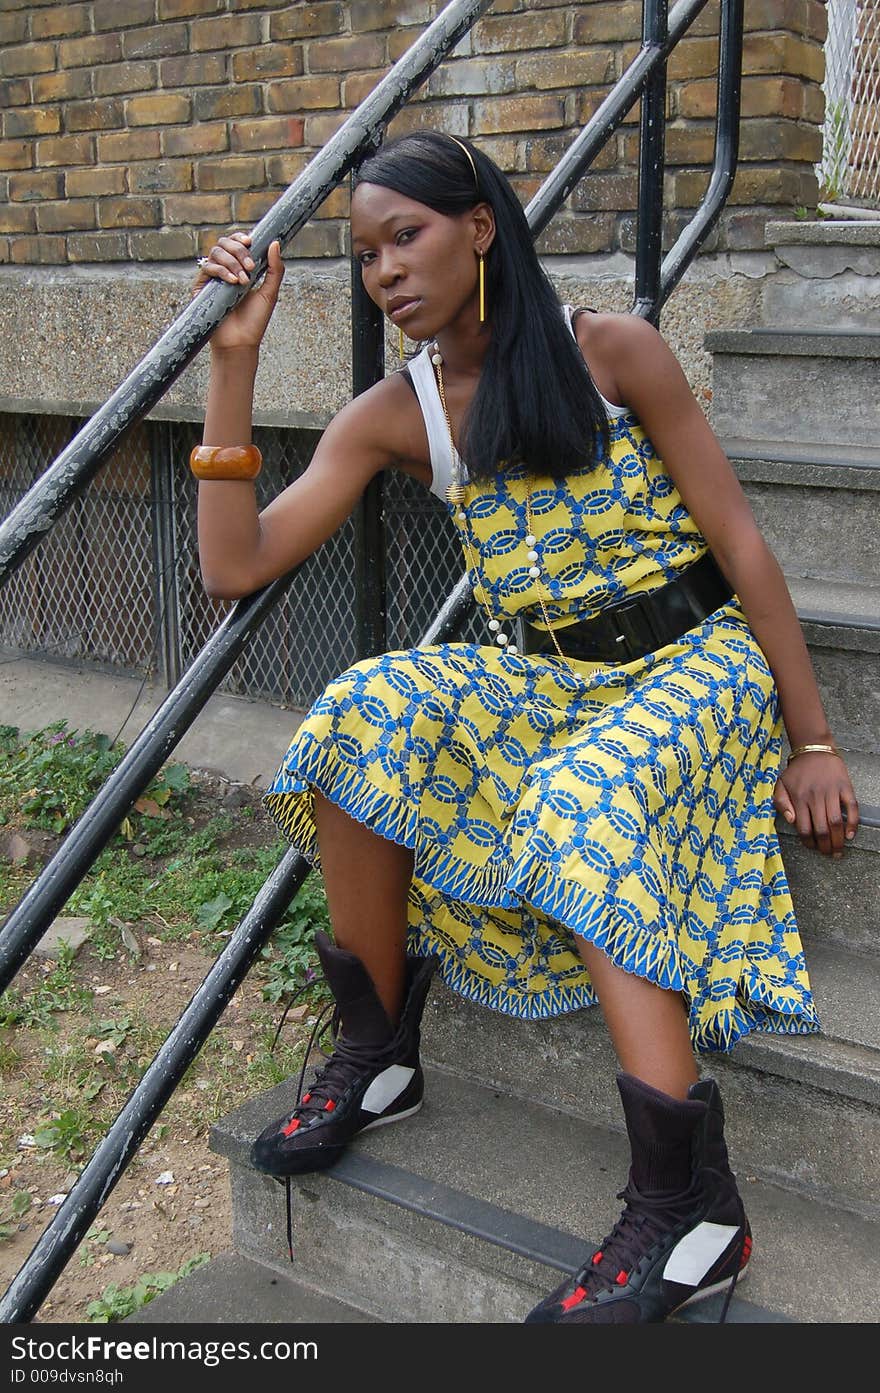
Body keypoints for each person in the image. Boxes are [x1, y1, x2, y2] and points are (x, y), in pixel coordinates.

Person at [191, 130, 859, 1324]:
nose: (385, 272)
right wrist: (231, 363)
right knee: (357, 713)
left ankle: (690, 1207)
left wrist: (809, 737)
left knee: (576, 806)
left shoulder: (609, 350)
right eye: (364, 255)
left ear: (481, 228)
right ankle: (377, 1053)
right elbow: (234, 565)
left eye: (408, 236)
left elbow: (741, 541)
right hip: (549, 679)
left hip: (694, 663)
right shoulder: (397, 413)